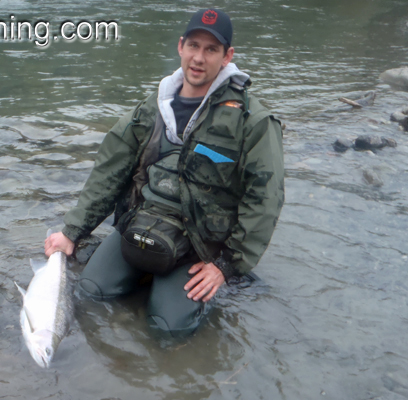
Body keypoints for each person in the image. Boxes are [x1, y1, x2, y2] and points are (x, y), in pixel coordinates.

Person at [44, 8, 284, 337]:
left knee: (167, 329)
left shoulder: (253, 122)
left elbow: (264, 199)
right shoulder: (152, 107)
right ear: (180, 46)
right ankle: (146, 275)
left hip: (198, 247)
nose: (199, 58)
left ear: (227, 56)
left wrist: (226, 267)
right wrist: (72, 232)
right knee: (92, 292)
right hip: (142, 224)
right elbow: (109, 170)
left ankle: (177, 292)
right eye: (194, 46)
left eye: (211, 49)